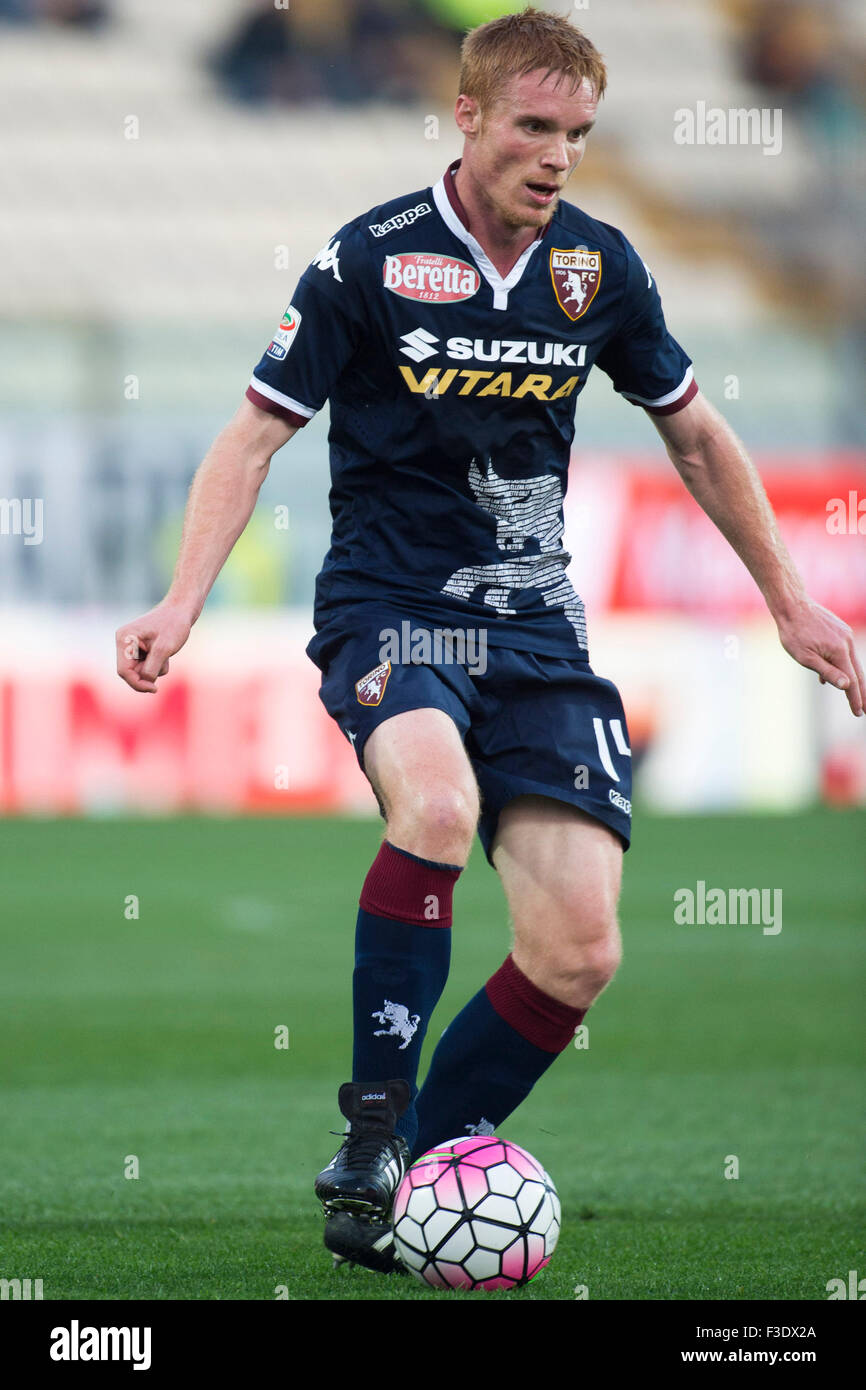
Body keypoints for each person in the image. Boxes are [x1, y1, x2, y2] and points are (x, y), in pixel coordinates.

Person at [115, 7, 863, 1276]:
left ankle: (414, 1157)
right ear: (464, 116)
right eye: (531, 126)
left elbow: (693, 433)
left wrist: (790, 599)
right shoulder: (370, 258)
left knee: (580, 948)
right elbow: (252, 435)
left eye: (576, 133)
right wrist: (182, 598)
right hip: (388, 609)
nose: (556, 154)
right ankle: (365, 1132)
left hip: (535, 632)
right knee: (438, 807)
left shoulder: (599, 270)